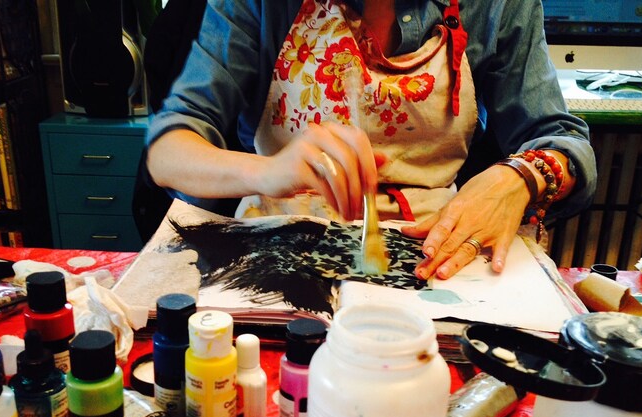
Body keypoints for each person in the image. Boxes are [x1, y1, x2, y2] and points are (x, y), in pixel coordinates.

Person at [145, 0, 597, 280]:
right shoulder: (259, 5)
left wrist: (519, 178)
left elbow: (562, 141)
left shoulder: (495, 6)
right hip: (278, 256)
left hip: (436, 256)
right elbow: (168, 149)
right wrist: (268, 171)